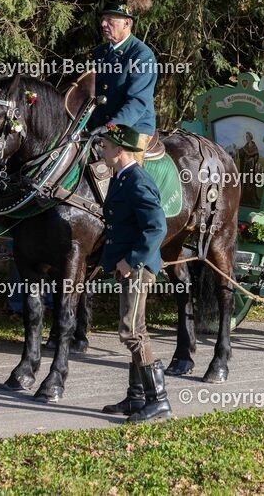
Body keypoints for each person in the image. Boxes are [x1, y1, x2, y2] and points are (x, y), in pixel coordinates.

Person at [96, 124, 170, 423]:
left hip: (138, 269)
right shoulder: (120, 178)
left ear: (120, 151)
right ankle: (136, 397)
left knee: (132, 332)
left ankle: (158, 400)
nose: (102, 150)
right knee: (135, 328)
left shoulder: (137, 181)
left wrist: (132, 261)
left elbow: (157, 227)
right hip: (127, 267)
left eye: (106, 146)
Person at [88, 0, 157, 163]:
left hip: (133, 128)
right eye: (103, 19)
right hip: (99, 128)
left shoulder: (142, 55)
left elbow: (137, 102)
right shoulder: (99, 53)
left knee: (126, 172)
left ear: (127, 23)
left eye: (110, 20)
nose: (103, 24)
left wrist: (111, 127)